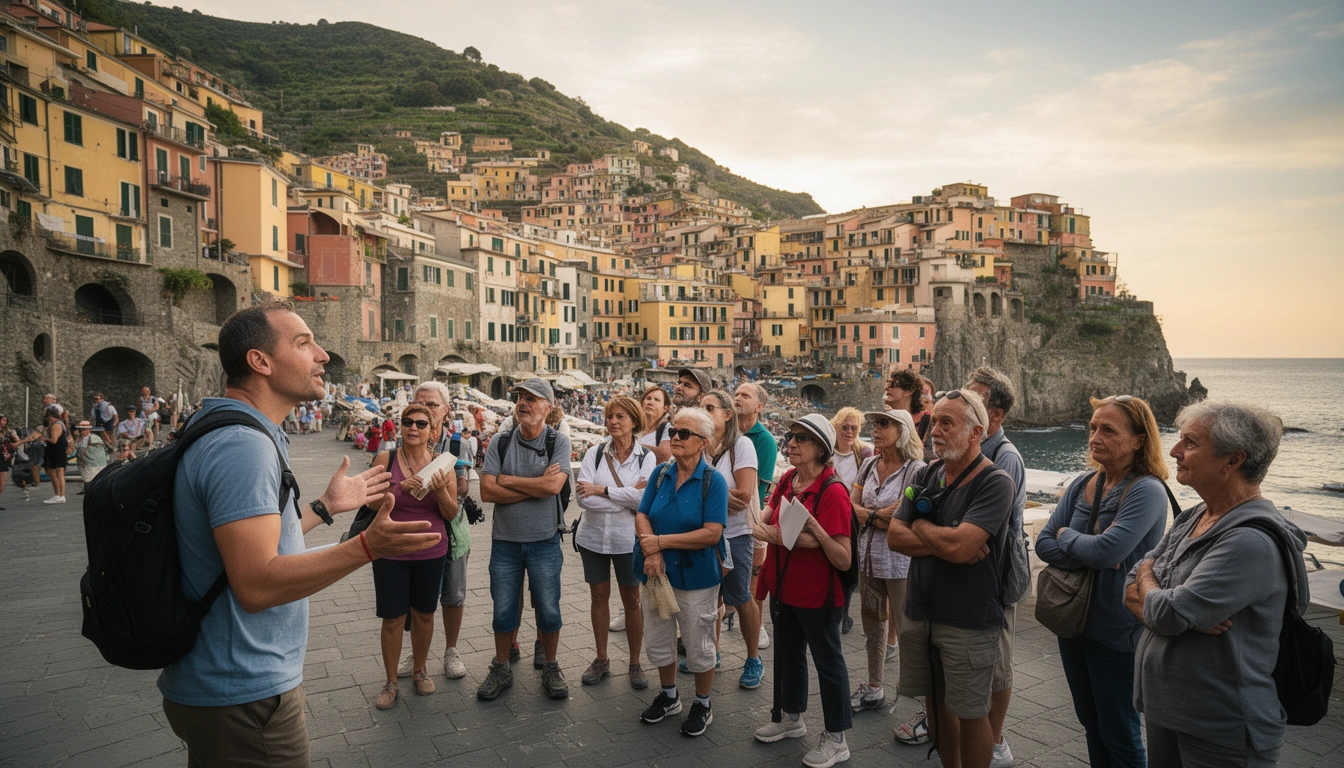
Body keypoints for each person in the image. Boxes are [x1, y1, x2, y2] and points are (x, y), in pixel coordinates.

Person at [158, 302, 439, 767]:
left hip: (226, 686)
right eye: (304, 343)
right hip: (243, 690)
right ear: (260, 362)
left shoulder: (239, 429)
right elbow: (256, 583)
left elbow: (258, 540)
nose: (323, 355)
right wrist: (368, 546)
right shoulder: (242, 446)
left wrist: (325, 508)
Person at [1125, 401, 1301, 768]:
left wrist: (1151, 583)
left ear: (1233, 460)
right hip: (1168, 710)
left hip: (1221, 725)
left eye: (1190, 442)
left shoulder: (1248, 542)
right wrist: (1156, 591)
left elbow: (1165, 611)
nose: (1173, 450)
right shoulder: (1192, 517)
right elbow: (1133, 588)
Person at [1037, 395, 1170, 768]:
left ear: (1140, 439)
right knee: (1091, 724)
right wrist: (1083, 546)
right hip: (1074, 624)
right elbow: (1044, 544)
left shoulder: (1147, 490)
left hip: (1118, 633)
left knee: (1120, 734)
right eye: (1093, 427)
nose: (1095, 436)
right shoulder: (1084, 484)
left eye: (1108, 430)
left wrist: (1068, 536)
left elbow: (1105, 553)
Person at [888, 389, 1015, 768]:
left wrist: (922, 526)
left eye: (948, 423)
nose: (935, 431)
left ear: (976, 432)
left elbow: (962, 547)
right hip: (920, 611)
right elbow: (895, 536)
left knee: (972, 711)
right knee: (934, 702)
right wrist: (945, 540)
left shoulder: (996, 482)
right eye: (935, 421)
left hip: (968, 619)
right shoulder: (927, 473)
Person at [752, 413, 854, 768]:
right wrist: (771, 527)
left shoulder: (833, 491)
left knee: (828, 662)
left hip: (818, 593)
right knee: (788, 653)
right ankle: (791, 716)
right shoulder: (789, 480)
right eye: (790, 437)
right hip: (784, 585)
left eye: (801, 438)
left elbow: (841, 556)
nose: (791, 443)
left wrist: (787, 535)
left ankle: (837, 738)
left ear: (822, 449)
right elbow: (767, 516)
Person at [633, 407, 728, 737]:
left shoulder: (713, 481)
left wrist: (660, 541)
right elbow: (642, 514)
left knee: (699, 643)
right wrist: (653, 548)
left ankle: (703, 702)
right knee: (659, 637)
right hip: (655, 571)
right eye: (672, 432)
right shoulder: (661, 473)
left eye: (683, 434)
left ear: (703, 442)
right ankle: (670, 695)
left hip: (696, 576)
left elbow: (712, 533)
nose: (674, 437)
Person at [476, 378, 572, 702]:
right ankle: (501, 666)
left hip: (545, 541)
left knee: (548, 608)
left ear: (549, 407)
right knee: (503, 610)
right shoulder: (500, 442)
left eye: (532, 398)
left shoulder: (559, 442)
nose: (524, 403)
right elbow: (487, 492)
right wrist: (534, 484)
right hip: (505, 542)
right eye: (520, 397)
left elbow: (552, 488)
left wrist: (509, 481)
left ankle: (551, 665)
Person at [369, 403, 458, 709]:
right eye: (408, 422)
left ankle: (419, 671)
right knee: (393, 618)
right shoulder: (386, 458)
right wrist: (397, 490)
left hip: (430, 548)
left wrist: (441, 491)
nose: (413, 428)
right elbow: (368, 503)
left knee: (423, 614)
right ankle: (391, 681)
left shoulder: (443, 464)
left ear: (432, 431)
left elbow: (451, 512)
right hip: (391, 548)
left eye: (421, 424)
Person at [962, 366, 1029, 766]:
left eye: (976, 399)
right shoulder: (969, 451)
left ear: (996, 415)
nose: (966, 403)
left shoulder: (1006, 459)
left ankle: (998, 740)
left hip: (998, 573)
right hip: (973, 572)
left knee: (999, 661)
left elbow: (999, 527)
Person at [392, 381, 473, 681]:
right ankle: (417, 650)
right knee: (416, 599)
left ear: (445, 410)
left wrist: (449, 484)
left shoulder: (456, 445)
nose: (425, 410)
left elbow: (462, 488)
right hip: (413, 532)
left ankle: (451, 649)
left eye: (432, 405)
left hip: (451, 532)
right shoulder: (405, 440)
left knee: (453, 594)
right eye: (420, 404)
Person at [574, 396, 655, 689]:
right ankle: (602, 658)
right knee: (598, 598)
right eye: (610, 416)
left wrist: (602, 490)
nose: (613, 422)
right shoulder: (594, 454)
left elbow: (645, 499)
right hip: (592, 538)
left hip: (627, 539)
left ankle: (635, 662)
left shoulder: (647, 457)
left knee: (632, 601)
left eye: (620, 416)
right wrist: (622, 496)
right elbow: (583, 498)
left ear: (634, 421)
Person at [849, 409, 925, 716]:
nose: (876, 429)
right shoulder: (868, 464)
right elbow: (851, 504)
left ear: (902, 430)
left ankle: (921, 700)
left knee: (908, 631)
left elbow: (904, 510)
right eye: (875, 424)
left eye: (884, 424)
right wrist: (878, 519)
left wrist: (870, 517)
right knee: (873, 624)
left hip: (899, 563)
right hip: (868, 560)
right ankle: (875, 686)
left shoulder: (916, 470)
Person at [697, 389, 764, 689]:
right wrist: (720, 496)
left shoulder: (743, 445)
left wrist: (703, 494)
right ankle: (712, 652)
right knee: (710, 597)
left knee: (739, 596)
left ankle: (753, 659)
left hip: (736, 534)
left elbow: (745, 495)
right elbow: (725, 496)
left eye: (709, 408)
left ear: (727, 414)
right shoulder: (699, 447)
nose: (703, 413)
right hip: (706, 534)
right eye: (700, 408)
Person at [734, 381, 777, 651]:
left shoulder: (765, 440)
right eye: (736, 393)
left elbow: (756, 487)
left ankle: (757, 624)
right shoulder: (728, 433)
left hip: (751, 517)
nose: (738, 397)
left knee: (755, 579)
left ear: (759, 406)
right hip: (730, 517)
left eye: (745, 395)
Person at [830, 406, 873, 635]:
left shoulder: (865, 454)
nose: (849, 432)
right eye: (844, 427)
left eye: (854, 428)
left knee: (848, 566)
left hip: (852, 519)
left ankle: (843, 614)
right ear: (835, 427)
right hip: (828, 515)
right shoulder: (826, 451)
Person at [637, 385, 673, 464]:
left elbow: (663, 456)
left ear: (665, 408)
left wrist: (632, 446)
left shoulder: (666, 428)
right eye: (648, 398)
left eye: (656, 400)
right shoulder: (634, 427)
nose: (650, 402)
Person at [73, 421, 112, 492]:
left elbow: (98, 452)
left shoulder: (94, 438)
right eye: (80, 430)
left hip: (94, 463)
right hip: (84, 462)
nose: (81, 432)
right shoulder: (78, 438)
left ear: (88, 430)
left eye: (83, 429)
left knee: (92, 476)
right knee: (86, 476)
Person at [41, 407, 69, 504]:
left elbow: (54, 440)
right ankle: (59, 495)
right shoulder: (59, 424)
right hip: (59, 451)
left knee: (57, 473)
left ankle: (59, 495)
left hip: (56, 451)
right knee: (57, 473)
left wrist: (44, 439)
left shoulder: (56, 425)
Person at [0, 414, 17, 510]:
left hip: (3, 458)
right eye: (2, 420)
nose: (4, 422)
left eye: (5, 420)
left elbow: (17, 441)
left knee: (2, 483)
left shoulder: (7, 432)